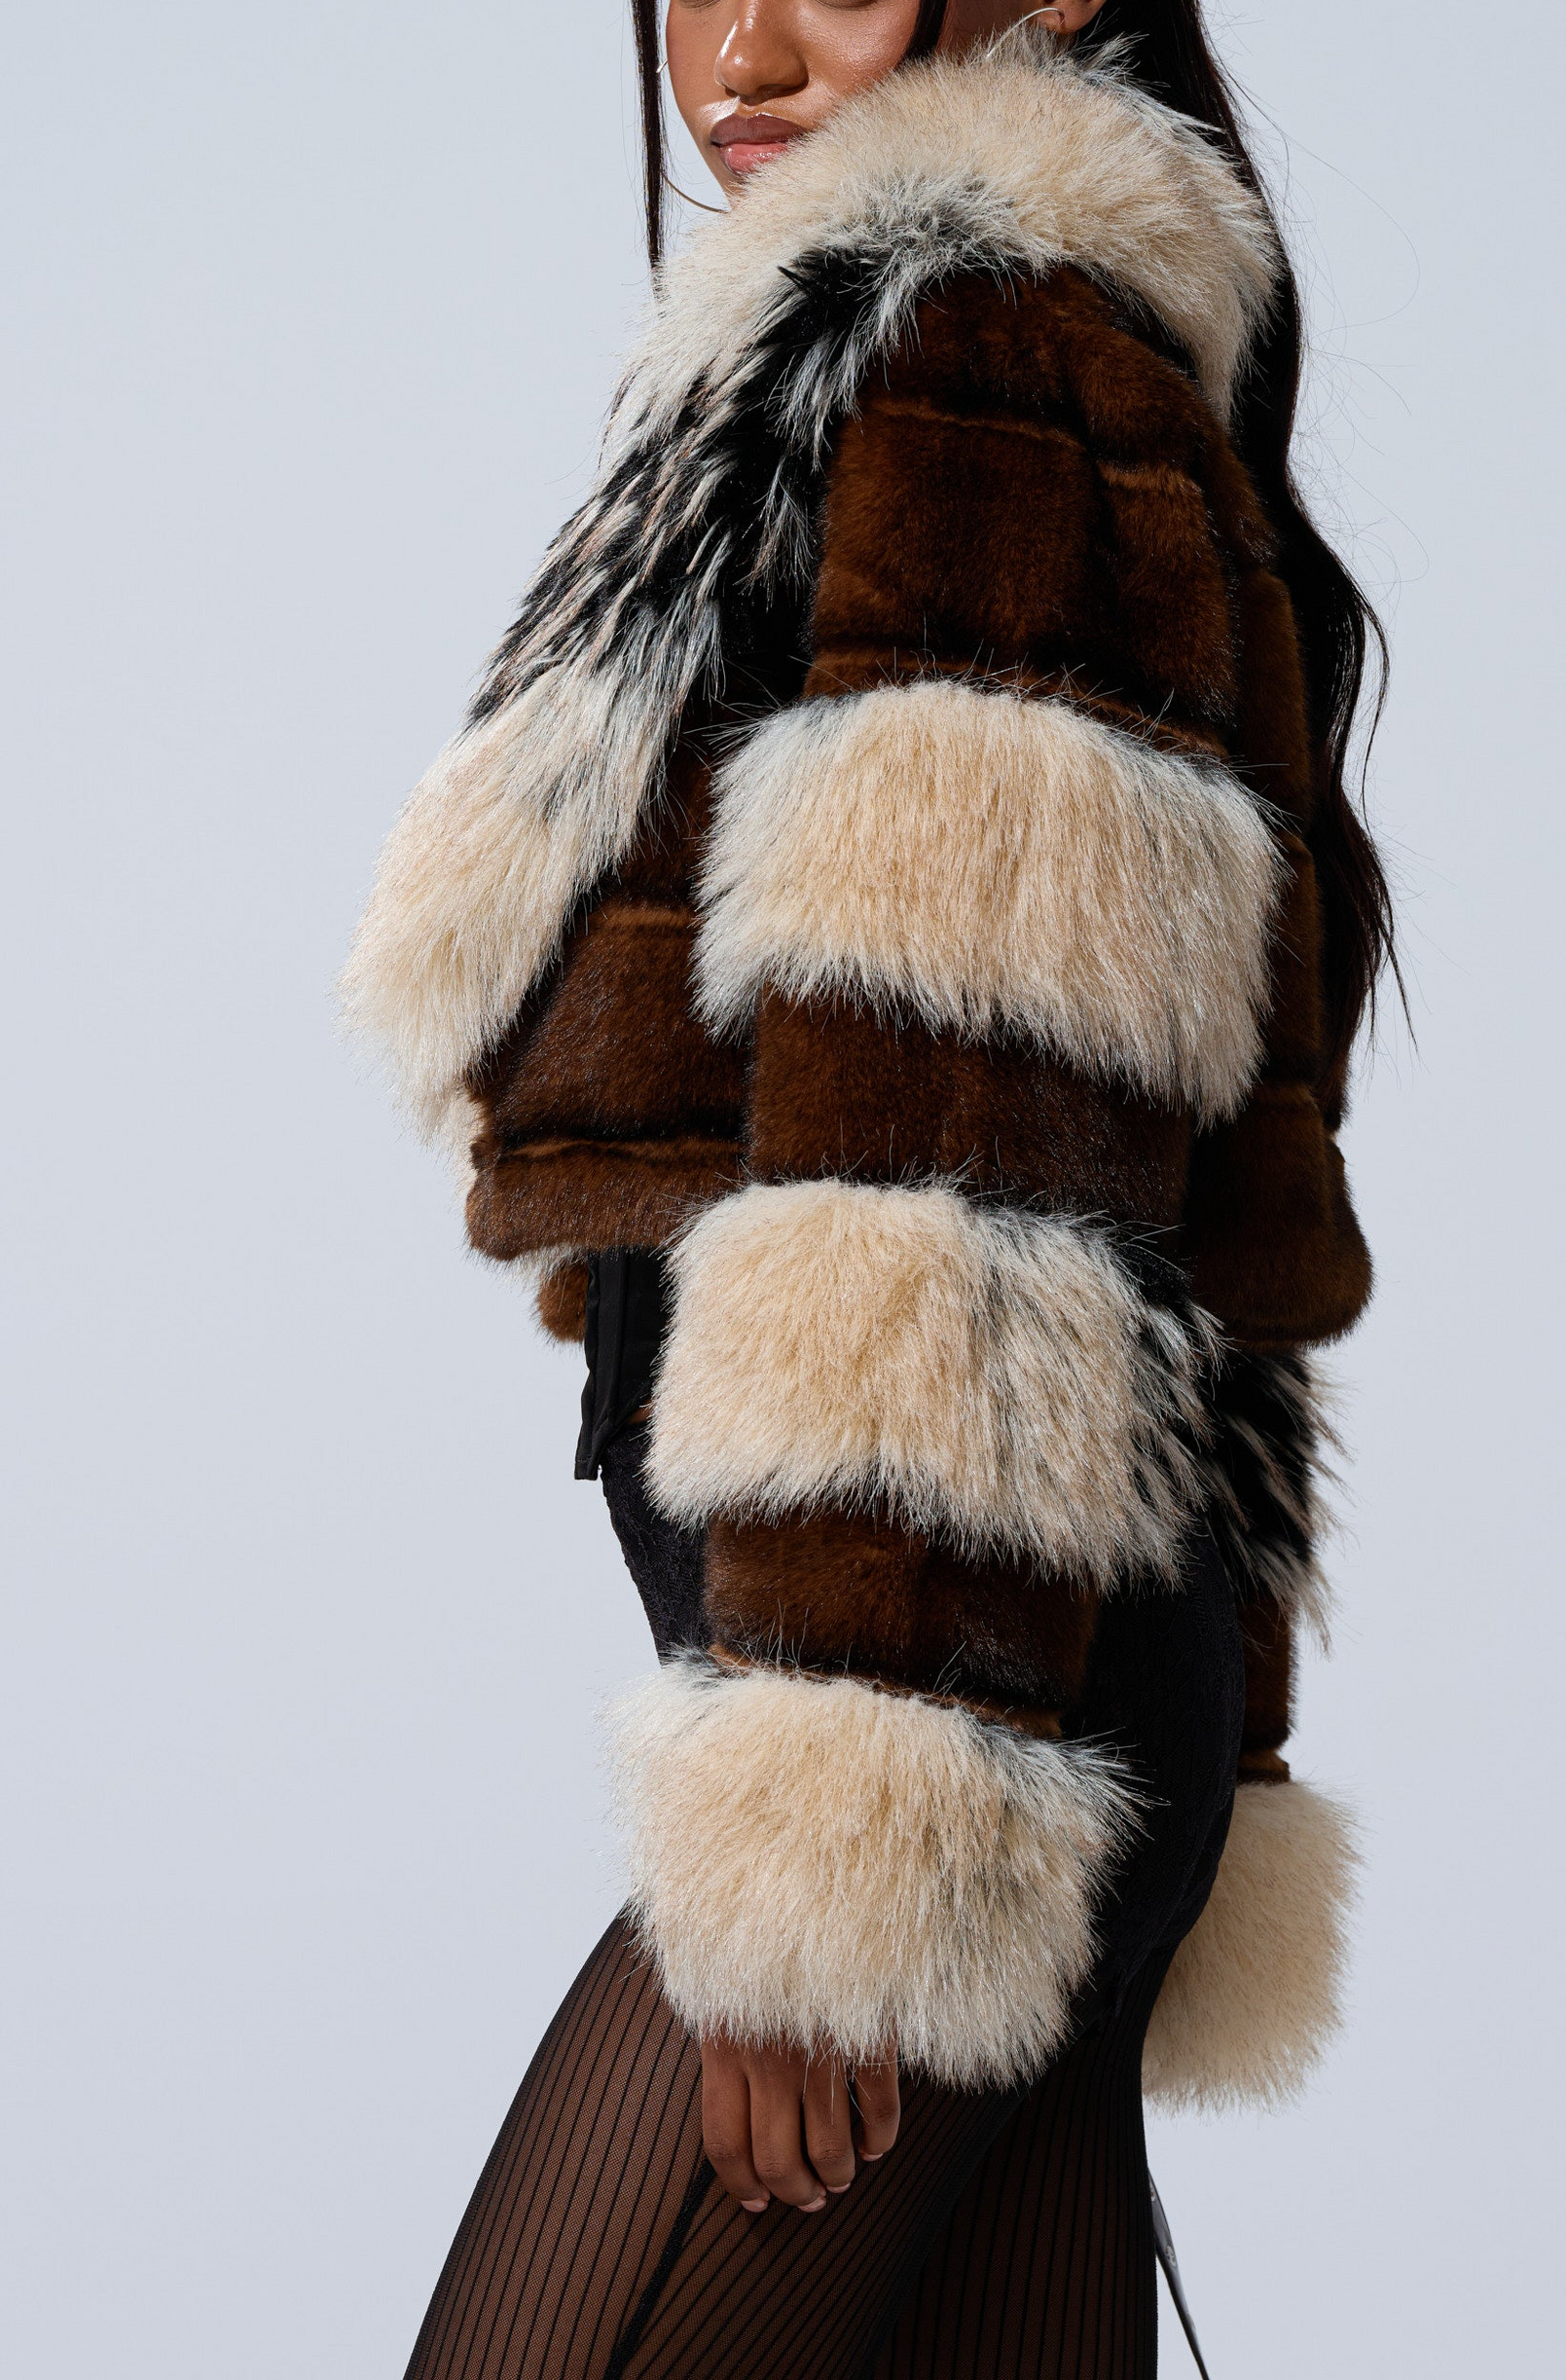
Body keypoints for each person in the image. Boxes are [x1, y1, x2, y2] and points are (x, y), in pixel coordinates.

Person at [346, 0, 1396, 2366]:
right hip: (1016, 1688)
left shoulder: (977, 351)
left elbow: (948, 1139)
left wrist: (837, 1832)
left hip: (932, 1724)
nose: (730, 46)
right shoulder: (924, 363)